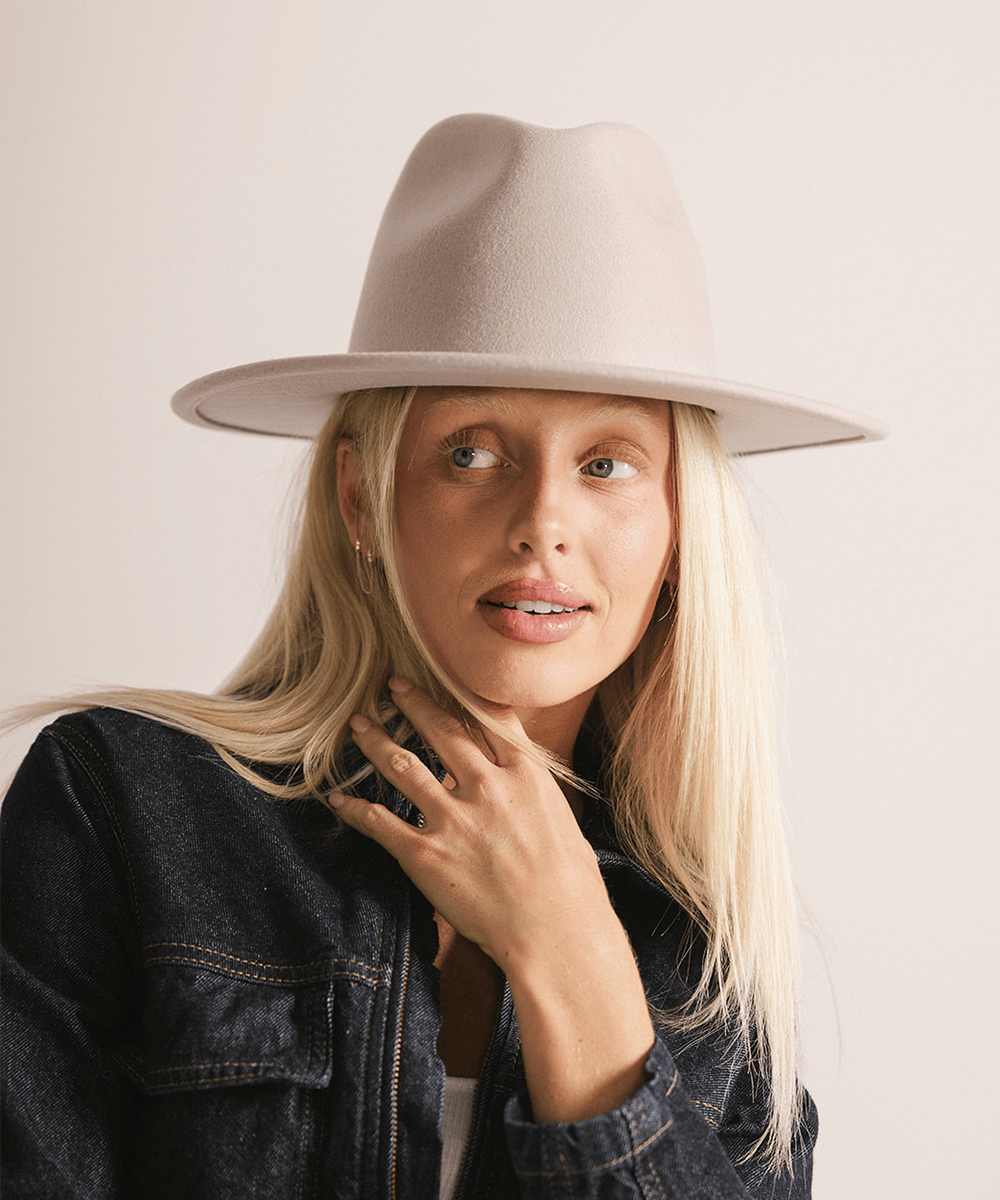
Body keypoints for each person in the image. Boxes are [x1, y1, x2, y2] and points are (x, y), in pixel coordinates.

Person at [1, 114, 887, 1199]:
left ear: (677, 535)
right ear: (360, 498)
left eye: (608, 463)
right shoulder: (127, 811)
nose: (542, 522)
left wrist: (573, 953)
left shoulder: (713, 976)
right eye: (471, 452)